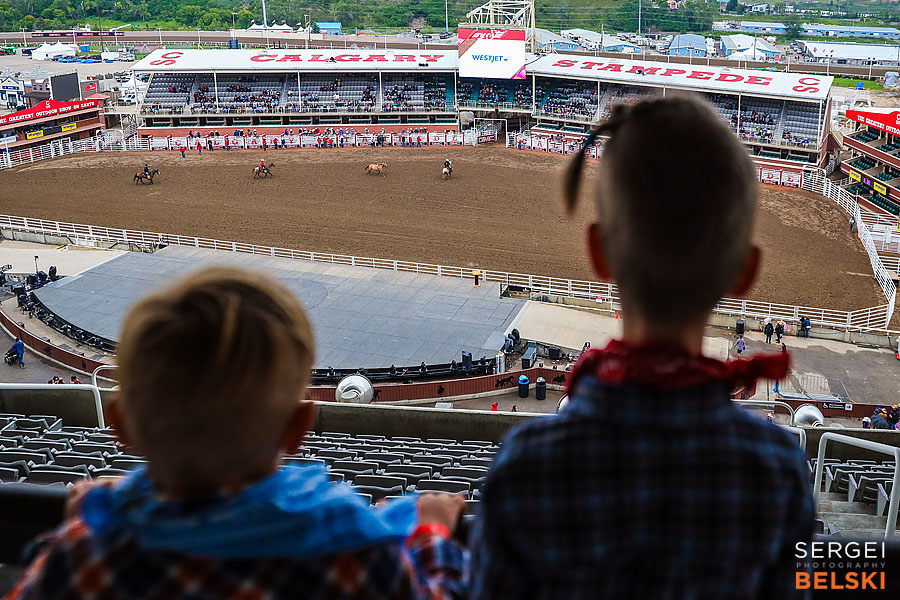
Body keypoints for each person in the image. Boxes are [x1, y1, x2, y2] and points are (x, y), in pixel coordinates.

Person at [471, 97, 813, 599]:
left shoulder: (525, 466)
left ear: (600, 252)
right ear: (745, 271)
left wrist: (434, 536)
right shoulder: (779, 470)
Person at [8, 267, 467, 599]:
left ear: (121, 425)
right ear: (298, 427)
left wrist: (80, 524)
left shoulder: (85, 556)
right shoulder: (351, 544)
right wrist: (430, 532)